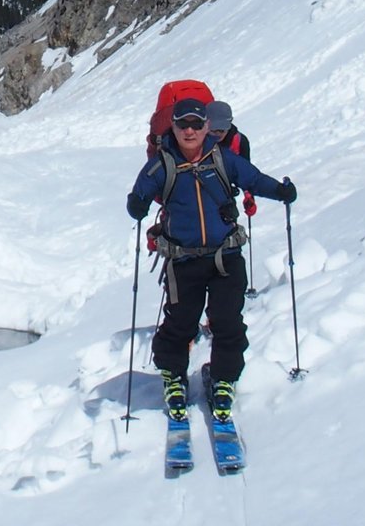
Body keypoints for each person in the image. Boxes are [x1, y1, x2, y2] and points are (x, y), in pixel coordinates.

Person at [125, 94, 296, 426]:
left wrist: (281, 190)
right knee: (181, 323)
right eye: (182, 124)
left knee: (228, 321)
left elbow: (254, 179)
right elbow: (142, 190)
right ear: (173, 127)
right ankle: (174, 375)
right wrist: (137, 203)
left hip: (224, 257)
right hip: (183, 260)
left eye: (196, 124)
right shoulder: (162, 164)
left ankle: (223, 377)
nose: (189, 131)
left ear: (207, 127)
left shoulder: (223, 160)